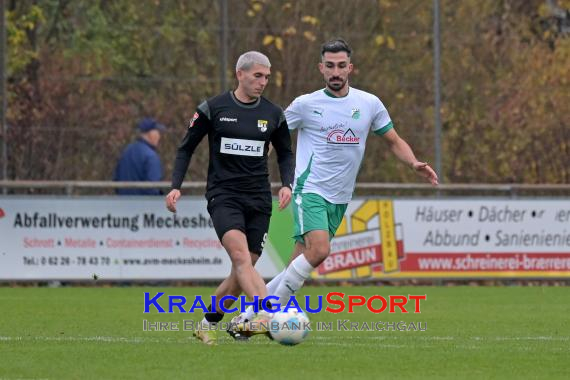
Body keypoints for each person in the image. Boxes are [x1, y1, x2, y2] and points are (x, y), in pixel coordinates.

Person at [232, 38, 439, 336]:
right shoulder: (306, 104)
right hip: (309, 189)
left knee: (297, 263)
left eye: (341, 66)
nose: (336, 72)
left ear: (350, 68)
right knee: (319, 250)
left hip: (340, 198)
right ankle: (268, 317)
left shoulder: (369, 104)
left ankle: (246, 317)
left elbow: (393, 140)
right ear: (321, 68)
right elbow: (273, 137)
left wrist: (414, 163)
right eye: (330, 66)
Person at [165, 51, 294, 345]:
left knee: (242, 269)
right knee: (239, 257)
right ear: (240, 74)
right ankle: (265, 314)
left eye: (267, 77)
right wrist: (176, 185)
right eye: (257, 76)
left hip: (259, 199)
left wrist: (287, 183)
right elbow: (186, 148)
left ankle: (205, 323)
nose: (263, 82)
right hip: (224, 196)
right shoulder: (213, 108)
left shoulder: (274, 114)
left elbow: (285, 152)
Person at [113, 118, 166, 195]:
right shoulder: (151, 156)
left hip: (123, 203)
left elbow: (116, 180)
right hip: (144, 205)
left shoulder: (127, 151)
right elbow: (153, 188)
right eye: (158, 132)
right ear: (150, 133)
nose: (159, 136)